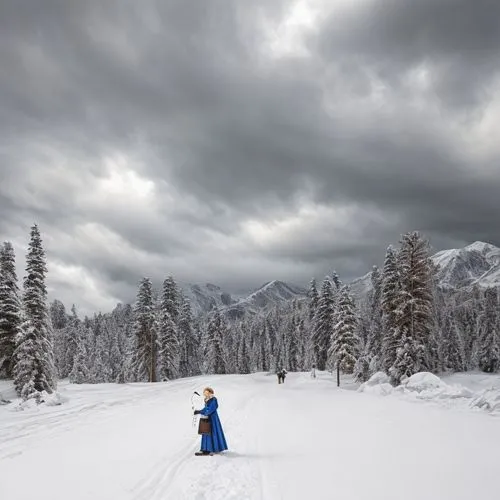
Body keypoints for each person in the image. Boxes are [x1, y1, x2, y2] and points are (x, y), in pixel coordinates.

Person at [193, 387, 228, 456]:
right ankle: (205, 449)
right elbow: (206, 408)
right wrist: (199, 411)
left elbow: (211, 409)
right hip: (207, 417)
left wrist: (204, 412)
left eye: (207, 392)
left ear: (210, 392)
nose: (205, 394)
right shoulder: (207, 400)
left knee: (212, 432)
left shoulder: (213, 399)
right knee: (205, 431)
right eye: (204, 393)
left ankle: (210, 449)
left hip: (213, 418)